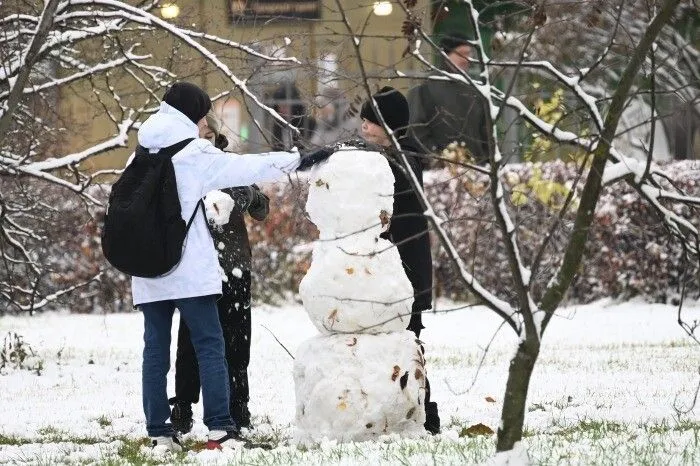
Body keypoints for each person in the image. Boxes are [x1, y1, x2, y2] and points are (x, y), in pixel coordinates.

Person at [131, 81, 332, 452]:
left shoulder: (142, 150)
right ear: (193, 114)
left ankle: (159, 432)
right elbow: (249, 166)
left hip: (148, 268)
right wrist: (303, 159)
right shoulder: (194, 153)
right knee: (211, 345)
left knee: (155, 350)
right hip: (189, 269)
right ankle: (220, 430)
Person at [168, 111, 268, 434]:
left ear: (216, 135)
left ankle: (239, 405)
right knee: (190, 338)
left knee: (238, 338)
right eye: (198, 133)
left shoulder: (228, 165)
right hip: (196, 266)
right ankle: (183, 405)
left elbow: (261, 206)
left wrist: (246, 194)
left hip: (235, 264)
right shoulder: (181, 166)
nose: (204, 138)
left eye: (208, 134)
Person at [358, 86, 440, 434]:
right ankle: (394, 412)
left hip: (404, 271)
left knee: (408, 344)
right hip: (387, 270)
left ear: (390, 126)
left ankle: (425, 412)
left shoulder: (404, 160)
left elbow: (392, 209)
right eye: (363, 120)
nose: (364, 127)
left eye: (371, 122)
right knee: (391, 346)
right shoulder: (384, 157)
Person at [407, 32, 491, 166]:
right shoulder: (426, 87)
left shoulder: (475, 90)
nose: (467, 59)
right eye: (461, 53)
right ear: (446, 55)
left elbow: (486, 131)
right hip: (439, 175)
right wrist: (437, 159)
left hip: (476, 171)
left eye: (469, 54)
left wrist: (489, 162)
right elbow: (416, 129)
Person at [270, 82, 315, 150]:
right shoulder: (278, 126)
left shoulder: (309, 124)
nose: (281, 110)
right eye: (279, 106)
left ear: (295, 106)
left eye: (285, 106)